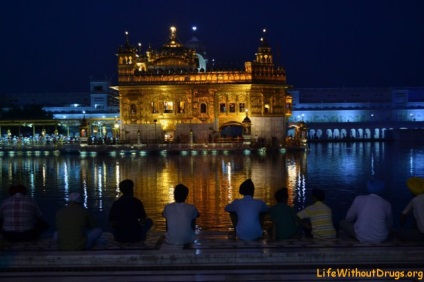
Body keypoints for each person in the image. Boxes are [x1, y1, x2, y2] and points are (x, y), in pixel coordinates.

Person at [339, 179, 392, 243]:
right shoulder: (386, 203)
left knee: (342, 223)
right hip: (381, 238)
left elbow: (348, 218)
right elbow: (389, 224)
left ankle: (348, 241)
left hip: (361, 236)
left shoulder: (359, 199)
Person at [397, 177, 424, 241]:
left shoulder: (414, 200)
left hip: (422, 233)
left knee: (400, 234)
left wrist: (401, 226)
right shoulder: (415, 200)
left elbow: (403, 215)